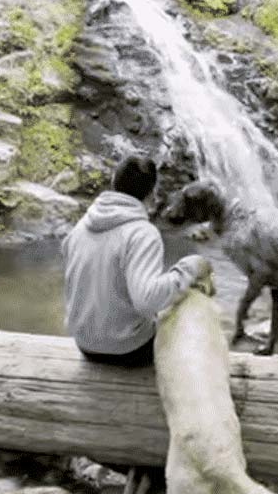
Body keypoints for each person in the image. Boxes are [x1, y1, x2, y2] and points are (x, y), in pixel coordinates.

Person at [62, 155, 209, 367]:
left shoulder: (81, 227)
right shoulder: (142, 233)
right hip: (128, 350)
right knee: (192, 285)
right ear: (152, 194)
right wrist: (188, 268)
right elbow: (147, 300)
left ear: (113, 182)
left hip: (84, 344)